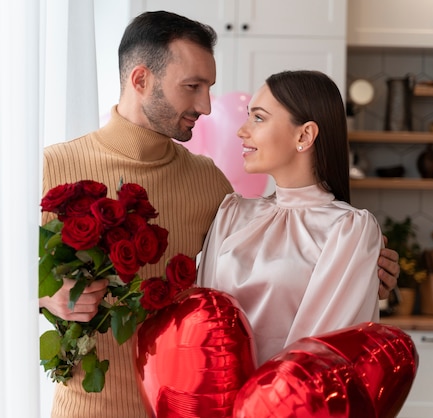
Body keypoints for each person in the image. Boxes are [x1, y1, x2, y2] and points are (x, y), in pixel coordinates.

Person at [39, 11, 399, 418]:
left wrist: (370, 268)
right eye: (192, 86)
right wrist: (46, 295)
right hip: (91, 408)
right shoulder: (52, 169)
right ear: (141, 80)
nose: (207, 106)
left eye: (209, 87)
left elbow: (281, 270)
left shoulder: (209, 183)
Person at [197, 70, 384, 366]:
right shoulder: (231, 214)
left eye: (258, 117)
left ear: (304, 135)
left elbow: (322, 354)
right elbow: (204, 327)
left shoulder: (349, 230)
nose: (241, 130)